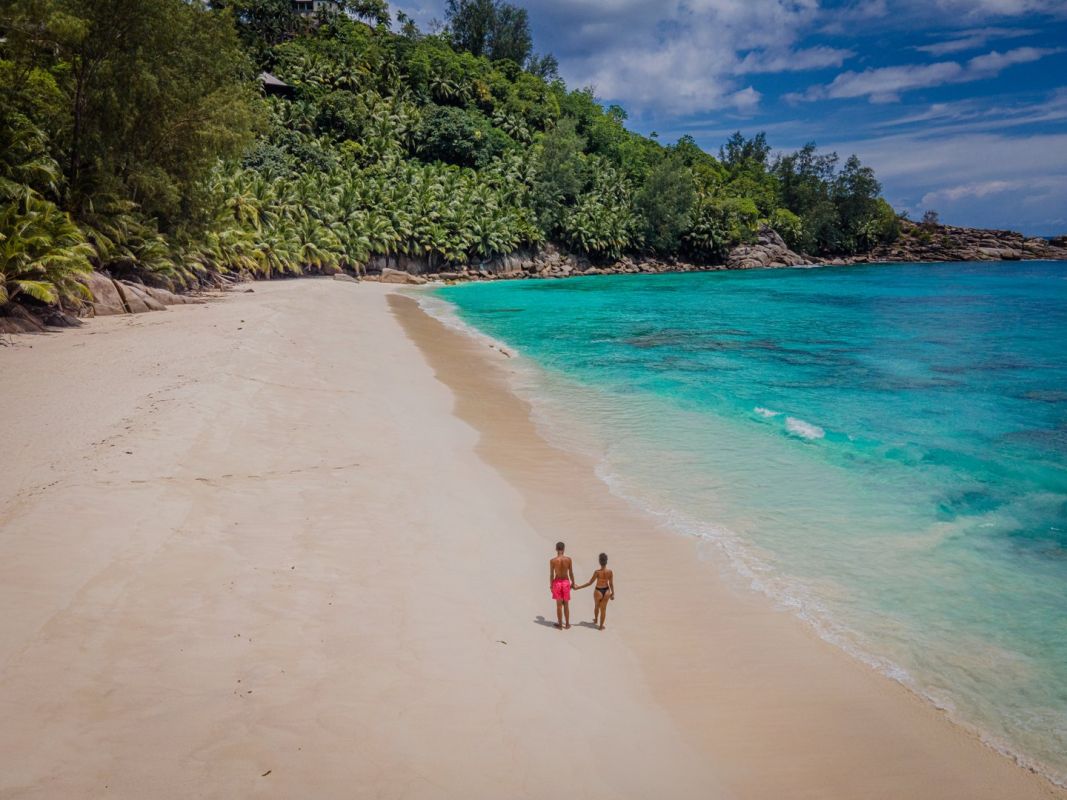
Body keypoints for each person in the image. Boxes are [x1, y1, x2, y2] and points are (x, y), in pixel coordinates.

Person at [574, 553, 615, 630]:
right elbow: (611, 584)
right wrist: (613, 593)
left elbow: (589, 583)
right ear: (606, 561)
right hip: (606, 591)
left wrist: (578, 587)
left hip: (598, 591)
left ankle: (596, 619)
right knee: (603, 610)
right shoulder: (610, 572)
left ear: (599, 562)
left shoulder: (597, 572)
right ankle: (601, 626)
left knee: (596, 606)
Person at [549, 541, 575, 630]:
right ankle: (567, 624)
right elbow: (571, 573)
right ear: (564, 549)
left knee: (559, 605)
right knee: (566, 604)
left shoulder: (553, 561)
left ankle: (560, 625)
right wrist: (573, 583)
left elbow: (551, 575)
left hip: (557, 583)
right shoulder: (568, 559)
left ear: (556, 549)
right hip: (566, 582)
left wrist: (551, 585)